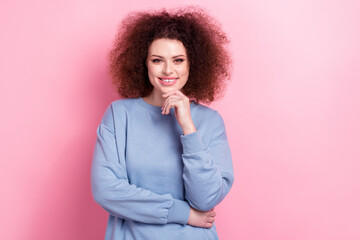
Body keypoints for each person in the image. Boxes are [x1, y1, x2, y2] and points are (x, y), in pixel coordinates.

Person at [91, 6, 234, 240]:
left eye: (178, 60)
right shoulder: (119, 115)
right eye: (157, 60)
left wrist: (188, 127)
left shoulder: (210, 122)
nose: (168, 70)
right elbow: (106, 191)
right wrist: (184, 213)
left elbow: (206, 199)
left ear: (192, 64)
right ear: (144, 63)